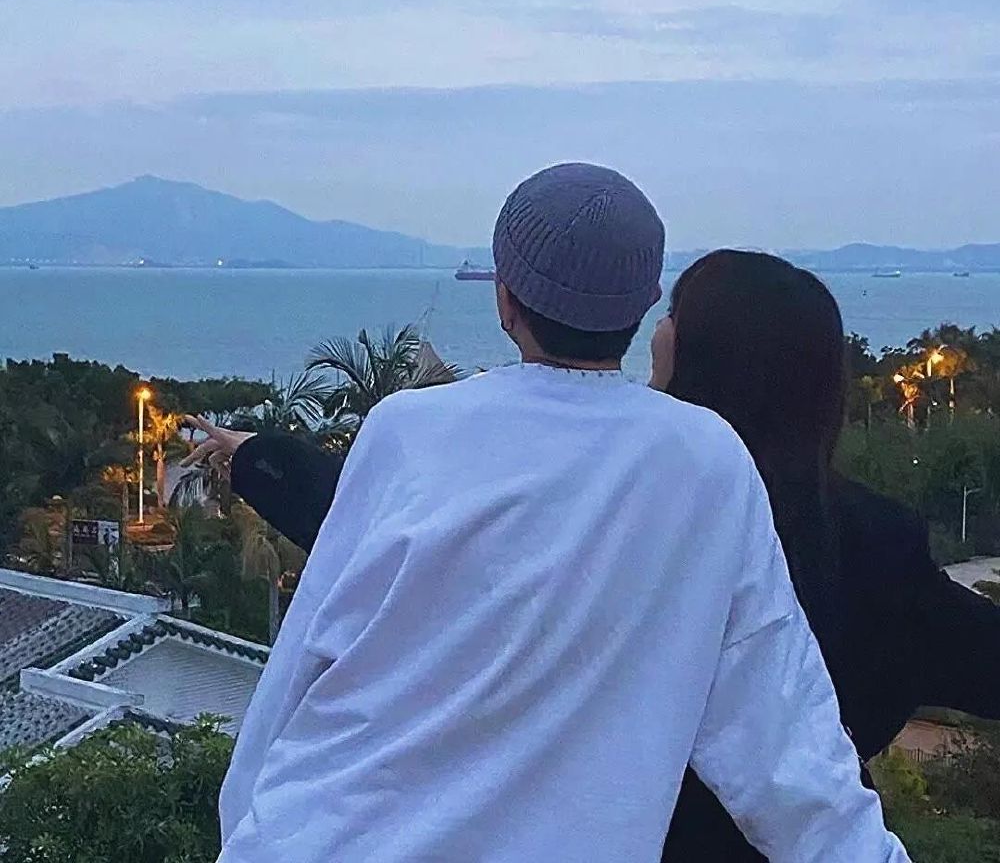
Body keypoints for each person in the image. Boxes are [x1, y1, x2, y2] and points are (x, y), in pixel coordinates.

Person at [208, 164, 907, 862]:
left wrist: (243, 825)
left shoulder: (410, 428)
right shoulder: (705, 460)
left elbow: (305, 657)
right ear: (644, 304)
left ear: (505, 299)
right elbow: (782, 733)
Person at [652, 249, 1000, 861]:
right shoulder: (875, 548)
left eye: (673, 316)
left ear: (696, 360)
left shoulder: (633, 527)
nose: (658, 330)